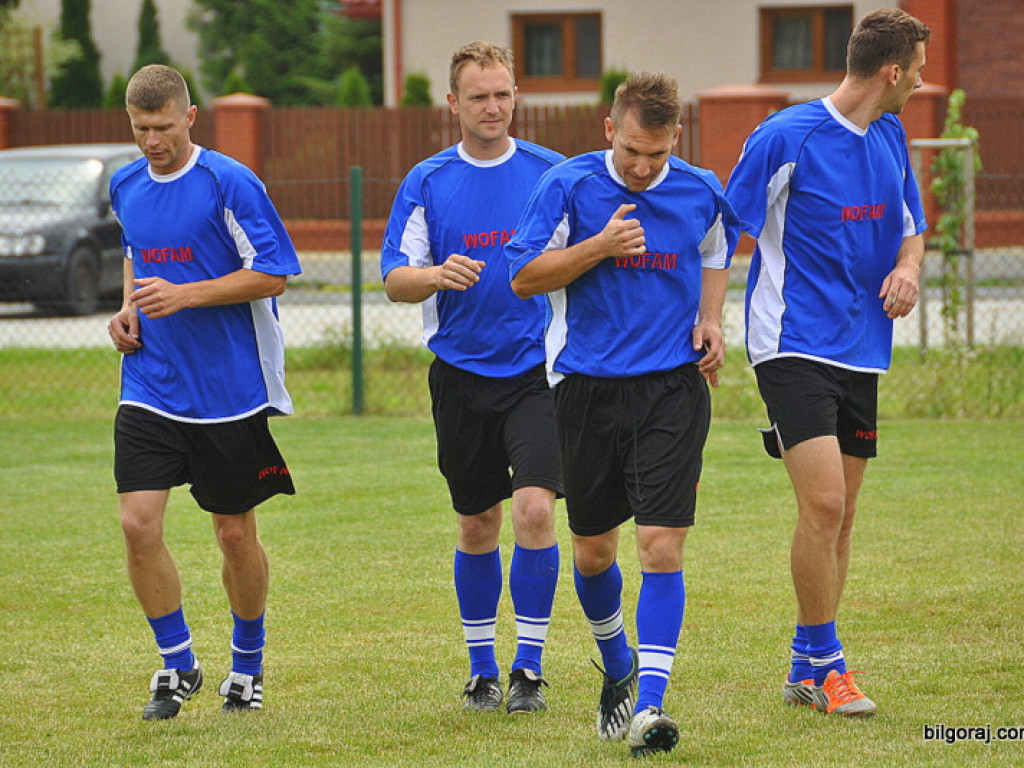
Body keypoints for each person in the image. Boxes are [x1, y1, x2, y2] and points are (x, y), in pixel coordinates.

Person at [506, 72, 739, 756]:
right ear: (610, 130)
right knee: (594, 550)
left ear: (676, 142)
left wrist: (711, 318)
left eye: (657, 155)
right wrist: (598, 248)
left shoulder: (699, 189)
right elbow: (522, 277)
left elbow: (719, 248)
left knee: (660, 546)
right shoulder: (569, 187)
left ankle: (652, 707)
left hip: (672, 388)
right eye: (633, 151)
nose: (642, 168)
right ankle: (617, 666)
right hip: (584, 388)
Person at [724, 8, 930, 717]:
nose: (923, 83)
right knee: (824, 503)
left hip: (862, 347)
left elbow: (912, 233)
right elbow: (725, 229)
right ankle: (829, 667)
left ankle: (802, 662)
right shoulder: (786, 135)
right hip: (790, 342)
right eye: (920, 69)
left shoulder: (894, 136)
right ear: (892, 70)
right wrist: (700, 321)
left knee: (840, 521)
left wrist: (908, 272)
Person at [107, 64, 301, 720]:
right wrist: (128, 309)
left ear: (191, 118)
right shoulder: (126, 181)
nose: (152, 141)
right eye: (140, 129)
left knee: (234, 533)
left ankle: (247, 663)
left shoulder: (229, 182)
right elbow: (138, 253)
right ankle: (177, 662)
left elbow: (274, 274)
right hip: (150, 384)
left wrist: (186, 294)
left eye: (163, 127)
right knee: (137, 524)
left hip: (229, 392)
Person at [379, 42, 565, 714]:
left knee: (535, 510)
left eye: (503, 94)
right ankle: (483, 669)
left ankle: (530, 669)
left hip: (538, 372)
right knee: (478, 524)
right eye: (479, 96)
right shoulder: (428, 180)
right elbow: (396, 277)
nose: (493, 107)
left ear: (516, 97)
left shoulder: (552, 174)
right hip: (459, 375)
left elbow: (595, 254)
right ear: (453, 103)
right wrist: (435, 274)